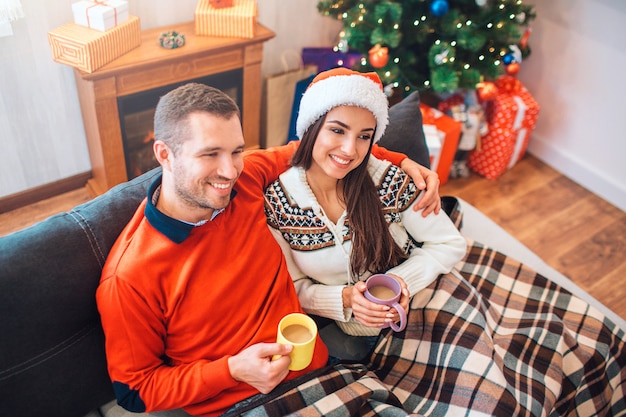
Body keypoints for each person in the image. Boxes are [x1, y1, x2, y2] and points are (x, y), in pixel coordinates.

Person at [95, 82, 441, 417]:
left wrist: (399, 160)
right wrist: (231, 370)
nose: (229, 171)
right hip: (241, 405)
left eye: (236, 151)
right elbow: (135, 390)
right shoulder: (129, 277)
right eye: (210, 154)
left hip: (321, 372)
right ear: (164, 155)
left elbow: (323, 146)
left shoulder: (246, 181)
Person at [264, 68, 467, 361]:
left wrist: (399, 283)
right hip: (349, 336)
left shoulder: (390, 180)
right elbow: (294, 288)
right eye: (337, 130)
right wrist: (346, 300)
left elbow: (449, 243)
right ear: (311, 127)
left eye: (364, 136)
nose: (350, 150)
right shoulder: (278, 204)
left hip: (428, 300)